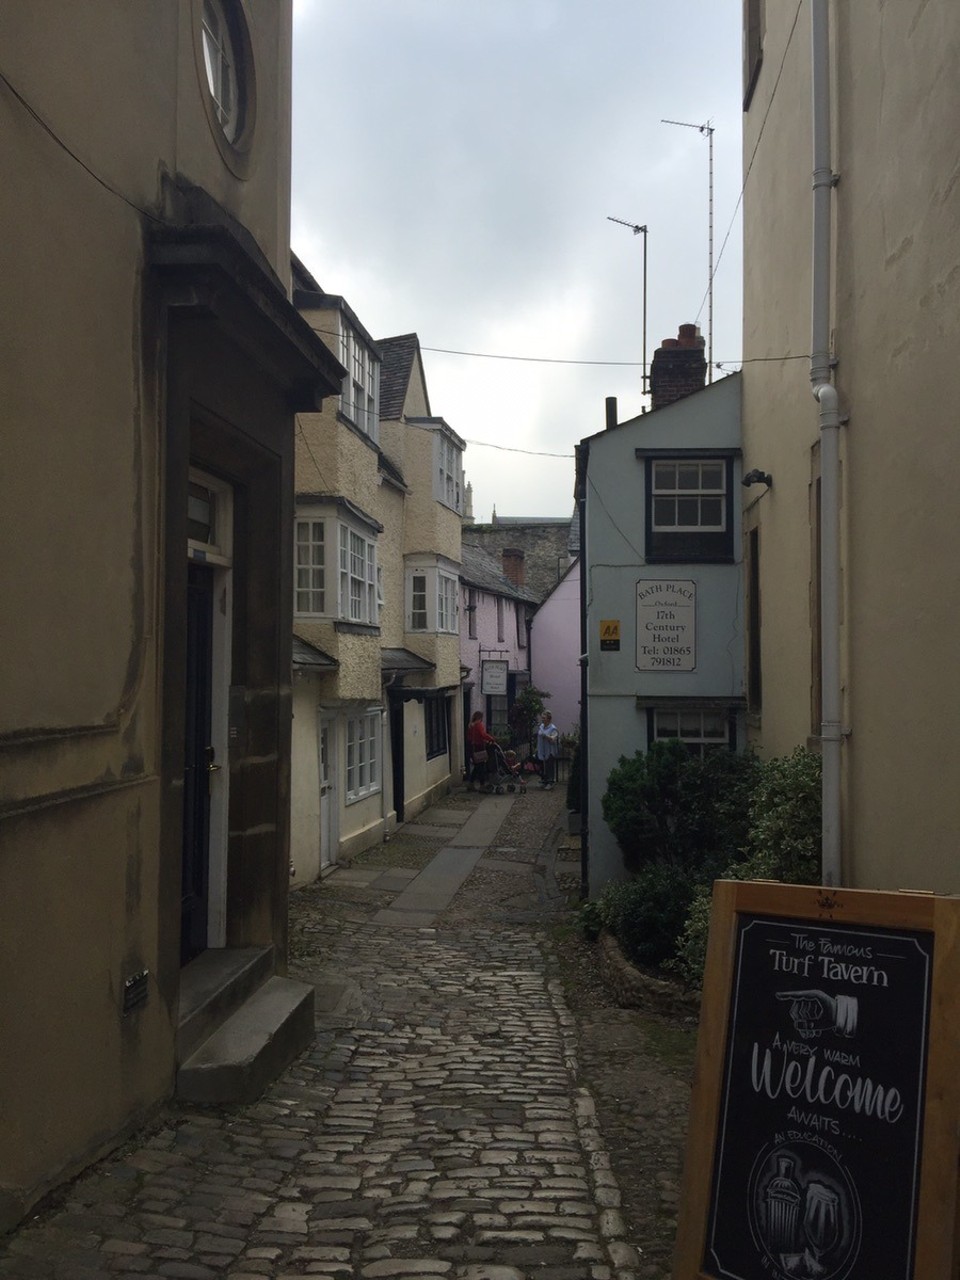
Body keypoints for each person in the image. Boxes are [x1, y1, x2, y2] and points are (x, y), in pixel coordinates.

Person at [466, 709, 496, 791]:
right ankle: (482, 785)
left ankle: (471, 783)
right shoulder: (479, 725)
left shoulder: (471, 725)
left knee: (477, 766)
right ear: (480, 717)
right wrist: (491, 738)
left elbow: (470, 737)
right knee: (481, 766)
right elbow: (482, 734)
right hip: (479, 747)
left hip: (472, 747)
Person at [535, 709, 560, 790]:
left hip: (550, 751)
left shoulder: (553, 728)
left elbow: (553, 739)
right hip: (542, 750)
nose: (542, 719)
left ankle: (550, 782)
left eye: (544, 718)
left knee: (549, 767)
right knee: (543, 766)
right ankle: (544, 781)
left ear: (549, 719)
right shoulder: (541, 727)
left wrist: (545, 736)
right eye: (542, 718)